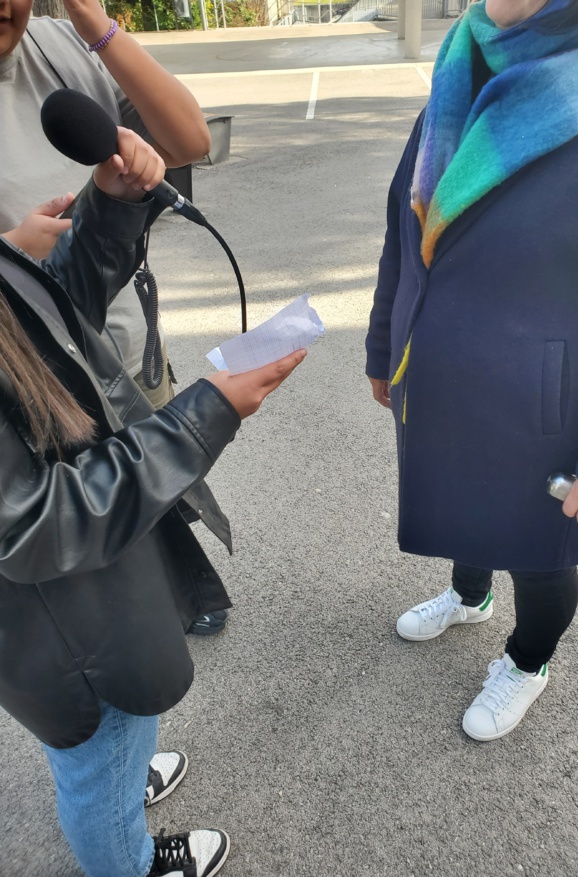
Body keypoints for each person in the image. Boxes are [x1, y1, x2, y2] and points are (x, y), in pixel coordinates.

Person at [0, 128, 306, 876]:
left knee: (114, 735)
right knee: (95, 744)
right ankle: (128, 855)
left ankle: (120, 777)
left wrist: (109, 208)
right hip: (59, 617)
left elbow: (53, 323)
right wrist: (203, 414)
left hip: (93, 578)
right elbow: (32, 524)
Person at [366, 0, 578, 741]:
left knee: (536, 552)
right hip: (436, 379)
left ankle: (528, 660)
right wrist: (381, 346)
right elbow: (408, 220)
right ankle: (469, 593)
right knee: (459, 502)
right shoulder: (467, 52)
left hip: (545, 406)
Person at [0, 0, 231, 635]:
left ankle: (182, 586)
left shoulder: (61, 45)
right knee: (82, 528)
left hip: (120, 339)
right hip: (33, 381)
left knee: (155, 473)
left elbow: (189, 141)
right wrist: (11, 257)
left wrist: (92, 22)